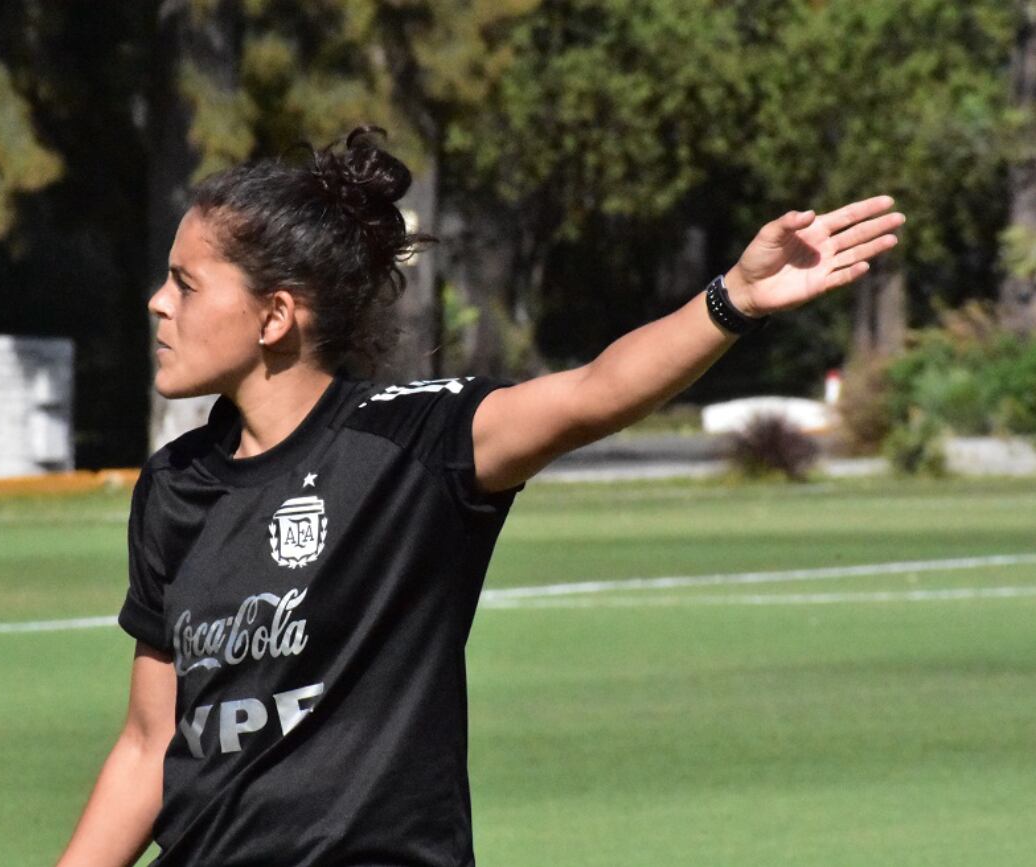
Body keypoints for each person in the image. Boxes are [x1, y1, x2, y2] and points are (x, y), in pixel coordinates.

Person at [56, 125, 904, 866]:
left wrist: (735, 299)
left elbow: (593, 393)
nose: (157, 303)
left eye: (186, 283)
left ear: (275, 316)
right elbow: (148, 742)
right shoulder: (176, 485)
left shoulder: (411, 442)